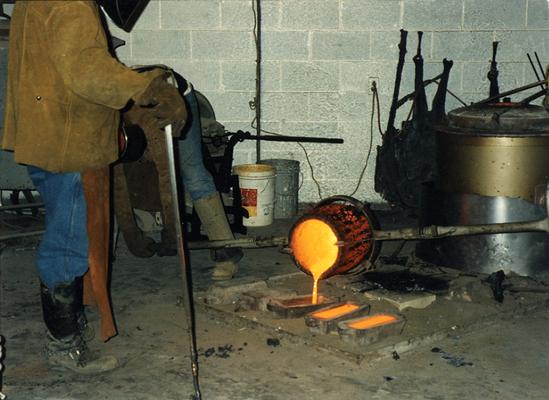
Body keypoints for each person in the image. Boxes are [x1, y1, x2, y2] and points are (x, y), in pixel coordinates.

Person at [1, 0, 186, 373]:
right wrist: (145, 88)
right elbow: (86, 70)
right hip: (69, 142)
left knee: (67, 235)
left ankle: (69, 329)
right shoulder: (71, 4)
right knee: (68, 242)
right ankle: (63, 346)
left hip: (48, 132)